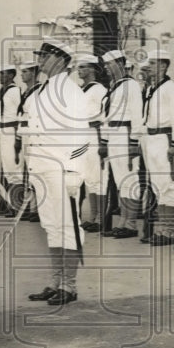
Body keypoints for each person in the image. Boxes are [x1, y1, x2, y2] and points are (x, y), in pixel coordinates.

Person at [22, 38, 90, 306]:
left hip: (62, 170)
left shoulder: (71, 92)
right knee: (51, 226)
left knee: (68, 228)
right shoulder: (41, 90)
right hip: (41, 167)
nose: (40, 59)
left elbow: (81, 137)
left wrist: (74, 174)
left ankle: (69, 286)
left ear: (61, 60)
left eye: (45, 55)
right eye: (39, 55)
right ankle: (55, 282)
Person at [140, 49, 174, 246]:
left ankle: (169, 231)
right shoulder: (151, 89)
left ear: (164, 66)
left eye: (153, 63)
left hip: (166, 139)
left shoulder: (171, 89)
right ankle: (161, 229)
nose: (149, 67)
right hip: (152, 139)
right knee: (158, 186)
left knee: (169, 184)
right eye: (149, 64)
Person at [99, 50, 145, 239]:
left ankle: (131, 223)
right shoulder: (114, 86)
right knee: (120, 180)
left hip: (126, 134)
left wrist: (134, 142)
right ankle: (123, 221)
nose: (107, 68)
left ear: (119, 63)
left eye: (109, 64)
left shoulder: (131, 85)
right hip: (114, 134)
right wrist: (105, 141)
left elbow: (136, 115)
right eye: (105, 65)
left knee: (130, 178)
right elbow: (106, 117)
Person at [75, 54, 108, 232]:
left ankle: (102, 218)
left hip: (95, 133)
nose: (79, 70)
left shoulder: (99, 90)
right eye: (79, 67)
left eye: (83, 67)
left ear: (93, 69)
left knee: (98, 177)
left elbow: (104, 117)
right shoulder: (82, 89)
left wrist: (103, 141)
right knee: (88, 177)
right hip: (83, 134)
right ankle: (93, 216)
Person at [15, 60, 43, 222]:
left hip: (33, 134)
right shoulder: (26, 91)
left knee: (35, 171)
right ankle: (30, 206)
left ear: (33, 73)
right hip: (25, 133)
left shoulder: (38, 91)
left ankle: (37, 208)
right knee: (27, 172)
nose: (22, 75)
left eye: (25, 72)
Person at [0, 64, 22, 218]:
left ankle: (16, 206)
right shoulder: (5, 91)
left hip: (11, 131)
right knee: (7, 168)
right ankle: (9, 204)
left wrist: (18, 137)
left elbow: (20, 113)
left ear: (11, 75)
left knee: (13, 169)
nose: (0, 76)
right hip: (3, 132)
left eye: (3, 74)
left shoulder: (15, 91)